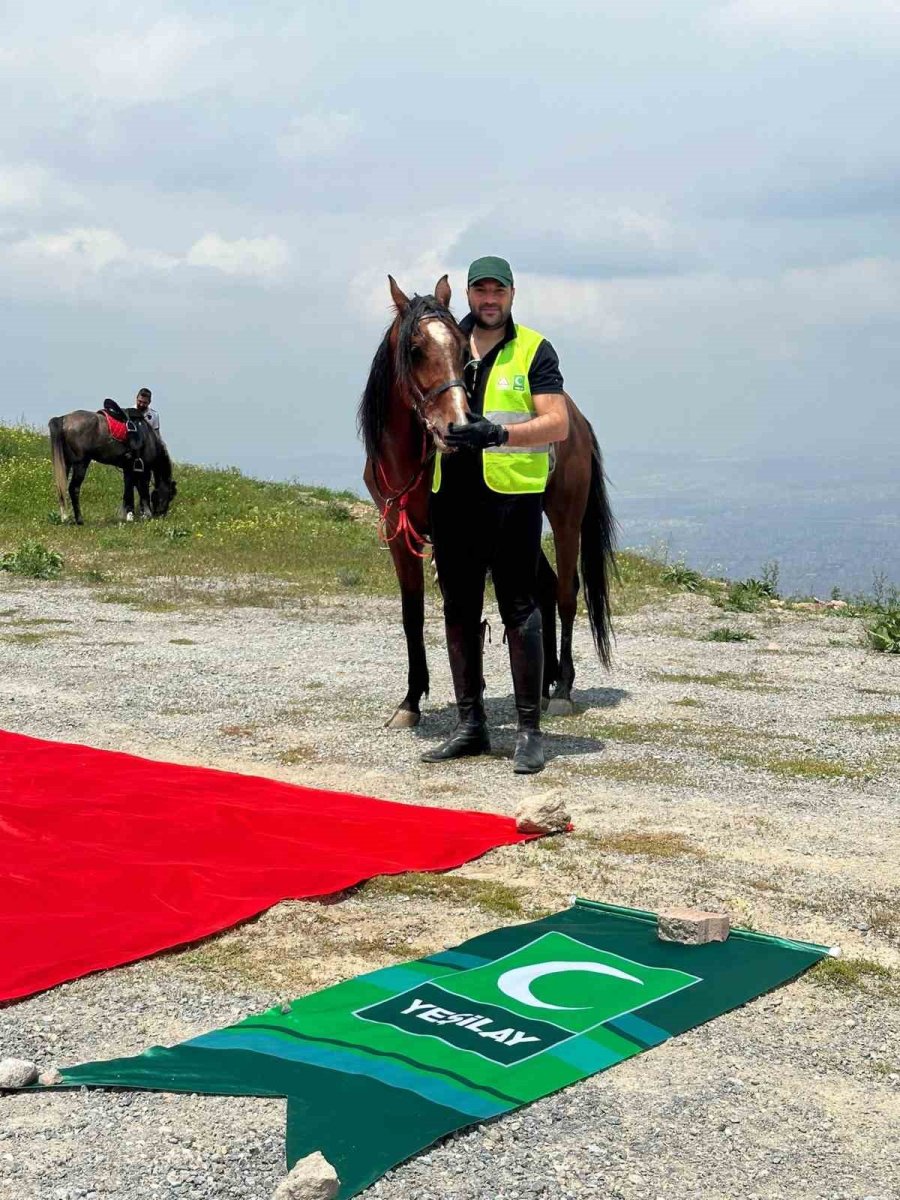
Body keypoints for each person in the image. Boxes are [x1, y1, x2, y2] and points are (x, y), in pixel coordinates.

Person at [421, 256, 568, 774]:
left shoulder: (534, 349)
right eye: (480, 290)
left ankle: (529, 730)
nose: (489, 299)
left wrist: (499, 433)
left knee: (521, 610)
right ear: (467, 294)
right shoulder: (446, 341)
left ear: (511, 294)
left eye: (497, 291)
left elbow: (558, 424)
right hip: (453, 497)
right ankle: (470, 725)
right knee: (459, 610)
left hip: (512, 499)